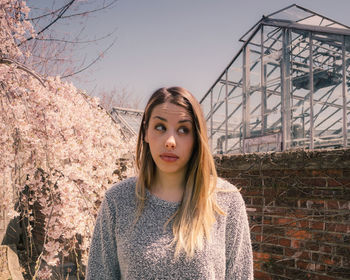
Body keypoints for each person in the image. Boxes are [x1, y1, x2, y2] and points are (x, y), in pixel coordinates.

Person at [86, 87, 253, 279]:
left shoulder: (226, 200)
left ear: (197, 138)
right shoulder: (117, 200)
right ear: (146, 133)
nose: (170, 141)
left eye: (183, 130)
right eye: (160, 127)